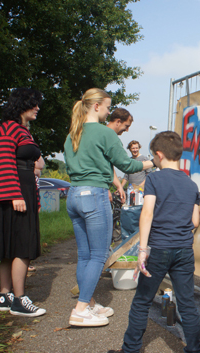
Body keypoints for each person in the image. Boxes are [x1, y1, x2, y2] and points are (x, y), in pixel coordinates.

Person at [105, 131, 200, 353]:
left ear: (159, 156)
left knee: (141, 301)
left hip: (158, 249)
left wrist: (142, 250)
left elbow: (147, 213)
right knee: (187, 304)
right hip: (184, 250)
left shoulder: (154, 180)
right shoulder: (191, 184)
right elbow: (194, 221)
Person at [64, 88, 155, 327]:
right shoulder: (104, 133)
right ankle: (80, 309)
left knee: (84, 255)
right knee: (98, 255)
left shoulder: (74, 132)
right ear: (96, 107)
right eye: (106, 107)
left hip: (73, 194)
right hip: (93, 195)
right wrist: (154, 161)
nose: (107, 111)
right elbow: (126, 163)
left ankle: (90, 304)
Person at [0, 88, 46, 317]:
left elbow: (36, 165)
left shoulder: (23, 130)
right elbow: (4, 161)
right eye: (33, 103)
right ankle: (19, 299)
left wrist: (31, 197)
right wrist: (15, 195)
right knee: (21, 246)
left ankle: (4, 296)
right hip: (13, 192)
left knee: (9, 245)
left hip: (22, 190)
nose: (37, 108)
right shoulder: (9, 128)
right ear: (21, 104)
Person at [106, 108, 134, 203]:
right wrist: (151, 163)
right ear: (118, 121)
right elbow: (126, 165)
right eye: (126, 126)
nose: (127, 130)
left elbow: (107, 166)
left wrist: (119, 186)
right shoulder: (108, 136)